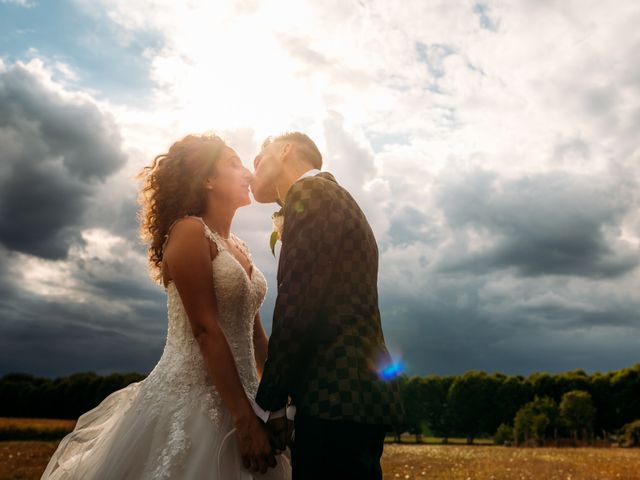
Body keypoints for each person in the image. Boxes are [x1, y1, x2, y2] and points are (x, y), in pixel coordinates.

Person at [41, 134, 291, 479]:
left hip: (249, 397)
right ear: (207, 179)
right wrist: (244, 420)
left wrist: (275, 407)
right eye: (233, 164)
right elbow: (204, 330)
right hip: (194, 403)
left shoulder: (239, 246)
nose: (247, 172)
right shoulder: (189, 232)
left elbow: (256, 338)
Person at [251, 132, 404, 479]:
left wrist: (270, 404)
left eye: (258, 160)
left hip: (336, 399)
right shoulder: (332, 197)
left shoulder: (312, 194)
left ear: (286, 150)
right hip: (349, 398)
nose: (251, 172)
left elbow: (297, 307)